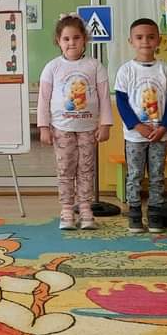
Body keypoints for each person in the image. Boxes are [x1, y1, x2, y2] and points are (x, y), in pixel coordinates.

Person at [38, 15, 112, 230]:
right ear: (58, 41)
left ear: (85, 39)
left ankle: (85, 208)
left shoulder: (95, 66)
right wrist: (43, 127)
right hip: (62, 129)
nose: (72, 43)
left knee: (86, 169)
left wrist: (105, 124)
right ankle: (67, 210)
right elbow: (43, 99)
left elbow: (104, 97)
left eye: (76, 38)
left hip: (88, 129)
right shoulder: (52, 67)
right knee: (65, 169)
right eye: (66, 39)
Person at [114, 18, 167, 233]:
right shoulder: (126, 71)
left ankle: (155, 212)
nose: (145, 42)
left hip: (160, 135)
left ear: (158, 40)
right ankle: (134, 212)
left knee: (157, 174)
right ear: (131, 41)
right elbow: (122, 103)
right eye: (139, 37)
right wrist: (137, 126)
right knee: (135, 174)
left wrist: (164, 127)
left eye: (150, 37)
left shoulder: (165, 70)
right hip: (135, 137)